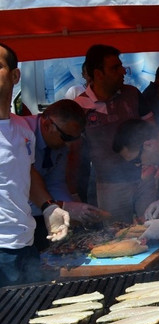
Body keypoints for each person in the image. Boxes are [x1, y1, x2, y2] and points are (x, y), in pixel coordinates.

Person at [0, 43, 70, 287]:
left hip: (24, 244)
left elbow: (25, 172)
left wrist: (49, 207)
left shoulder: (23, 129)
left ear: (15, 75)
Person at [74, 44, 157, 224]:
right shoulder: (80, 107)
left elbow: (152, 130)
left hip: (145, 178)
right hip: (109, 186)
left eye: (120, 66)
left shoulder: (132, 94)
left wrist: (153, 166)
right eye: (115, 68)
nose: (122, 72)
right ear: (98, 74)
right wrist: (75, 193)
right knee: (116, 235)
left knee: (153, 228)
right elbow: (75, 155)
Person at [26, 99, 107, 250]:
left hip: (39, 211)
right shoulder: (23, 135)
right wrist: (64, 207)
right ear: (47, 124)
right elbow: (23, 187)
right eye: (66, 138)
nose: (69, 145)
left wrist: (72, 209)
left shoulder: (58, 141)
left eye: (74, 139)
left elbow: (55, 182)